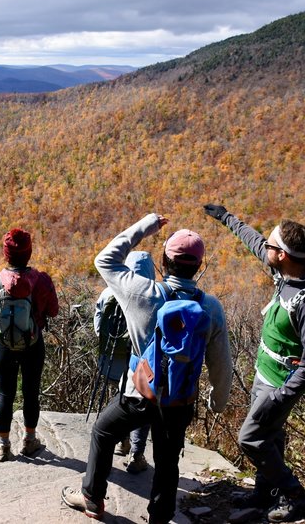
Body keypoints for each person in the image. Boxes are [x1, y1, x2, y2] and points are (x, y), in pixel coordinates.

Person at [62, 213, 232, 522]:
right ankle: (160, 517)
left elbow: (105, 259)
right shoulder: (211, 307)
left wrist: (147, 225)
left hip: (139, 394)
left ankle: (91, 499)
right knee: (167, 462)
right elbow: (221, 363)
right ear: (198, 267)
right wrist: (217, 401)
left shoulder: (141, 292)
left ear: (163, 263)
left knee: (103, 431)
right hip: (180, 399)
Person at [203, 204, 305, 522]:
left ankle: (294, 495)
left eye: (272, 246)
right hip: (265, 372)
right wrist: (226, 217)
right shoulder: (284, 272)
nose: (266, 248)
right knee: (271, 436)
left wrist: (281, 395)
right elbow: (255, 241)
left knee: (250, 437)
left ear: (284, 255)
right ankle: (264, 494)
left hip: (280, 383)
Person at [0, 227, 59, 462]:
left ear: (6, 254)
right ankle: (30, 440)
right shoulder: (41, 280)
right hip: (33, 344)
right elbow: (54, 311)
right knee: (30, 393)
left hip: (4, 346)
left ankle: (3, 445)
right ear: (29, 252)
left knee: (6, 394)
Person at [93, 251, 153, 473]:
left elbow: (99, 329)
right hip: (139, 367)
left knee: (120, 400)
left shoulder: (108, 293)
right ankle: (136, 454)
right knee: (140, 403)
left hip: (111, 363)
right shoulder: (154, 296)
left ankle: (121, 441)